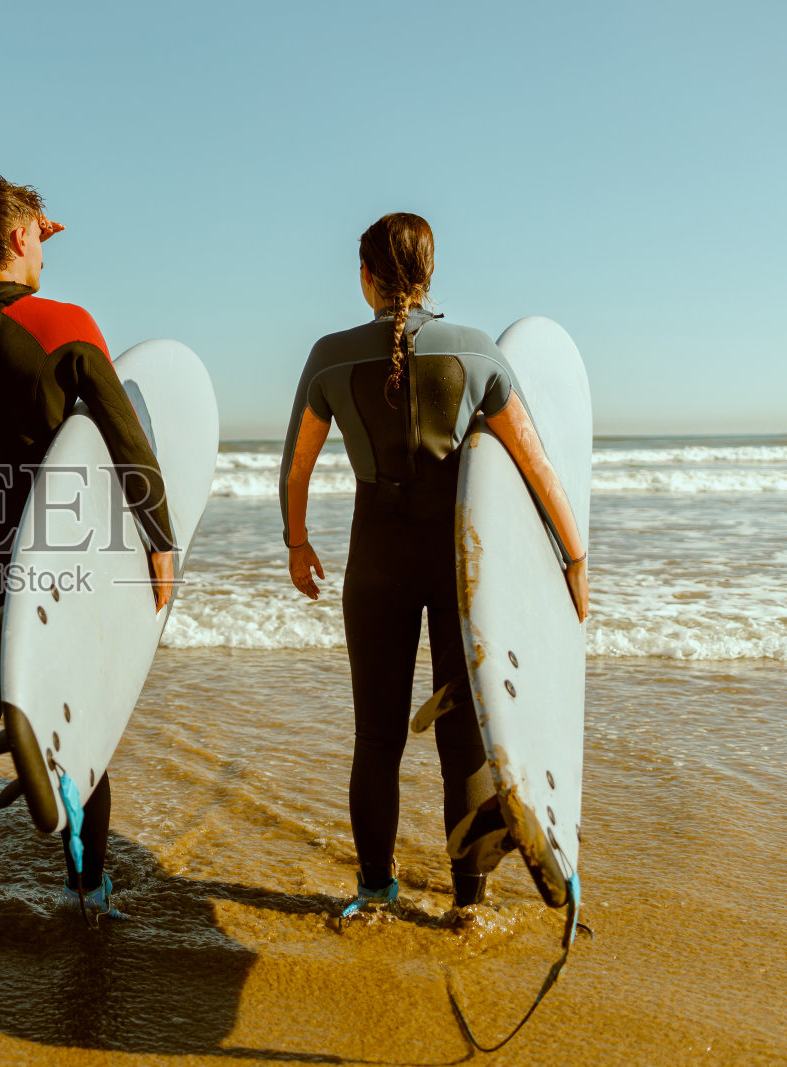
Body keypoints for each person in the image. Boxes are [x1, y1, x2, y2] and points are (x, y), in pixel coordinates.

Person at [279, 212, 589, 917]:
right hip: (460, 572)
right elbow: (537, 466)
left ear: (366, 278)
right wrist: (573, 558)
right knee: (465, 739)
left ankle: (373, 889)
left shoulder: (329, 356)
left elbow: (295, 470)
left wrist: (298, 541)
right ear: (429, 273)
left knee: (378, 735)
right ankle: (466, 902)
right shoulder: (477, 352)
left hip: (375, 565)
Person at [0, 174, 176, 914]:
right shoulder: (65, 324)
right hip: (59, 562)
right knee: (78, 722)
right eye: (36, 234)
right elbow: (126, 440)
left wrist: (1, 243)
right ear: (21, 236)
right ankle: (88, 889)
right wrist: (159, 543)